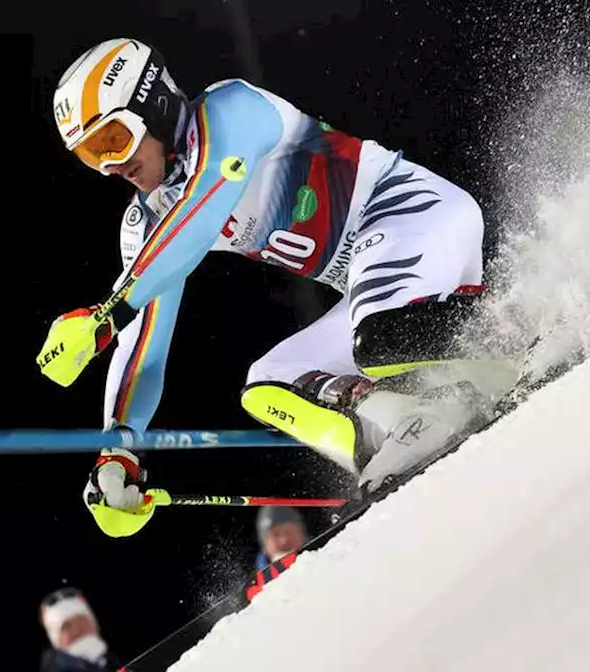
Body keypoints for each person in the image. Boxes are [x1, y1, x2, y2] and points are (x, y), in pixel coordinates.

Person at [36, 38, 513, 538]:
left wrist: (108, 311)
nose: (110, 166)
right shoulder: (148, 223)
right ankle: (409, 424)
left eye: (112, 140)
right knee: (269, 386)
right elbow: (146, 349)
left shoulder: (233, 110)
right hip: (375, 285)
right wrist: (119, 452)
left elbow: (202, 209)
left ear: (153, 105)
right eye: (91, 156)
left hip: (413, 214)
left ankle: (522, 320)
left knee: (375, 341)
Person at [38, 588, 125, 672]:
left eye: (81, 621)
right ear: (56, 640)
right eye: (66, 626)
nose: (77, 630)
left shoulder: (114, 663)